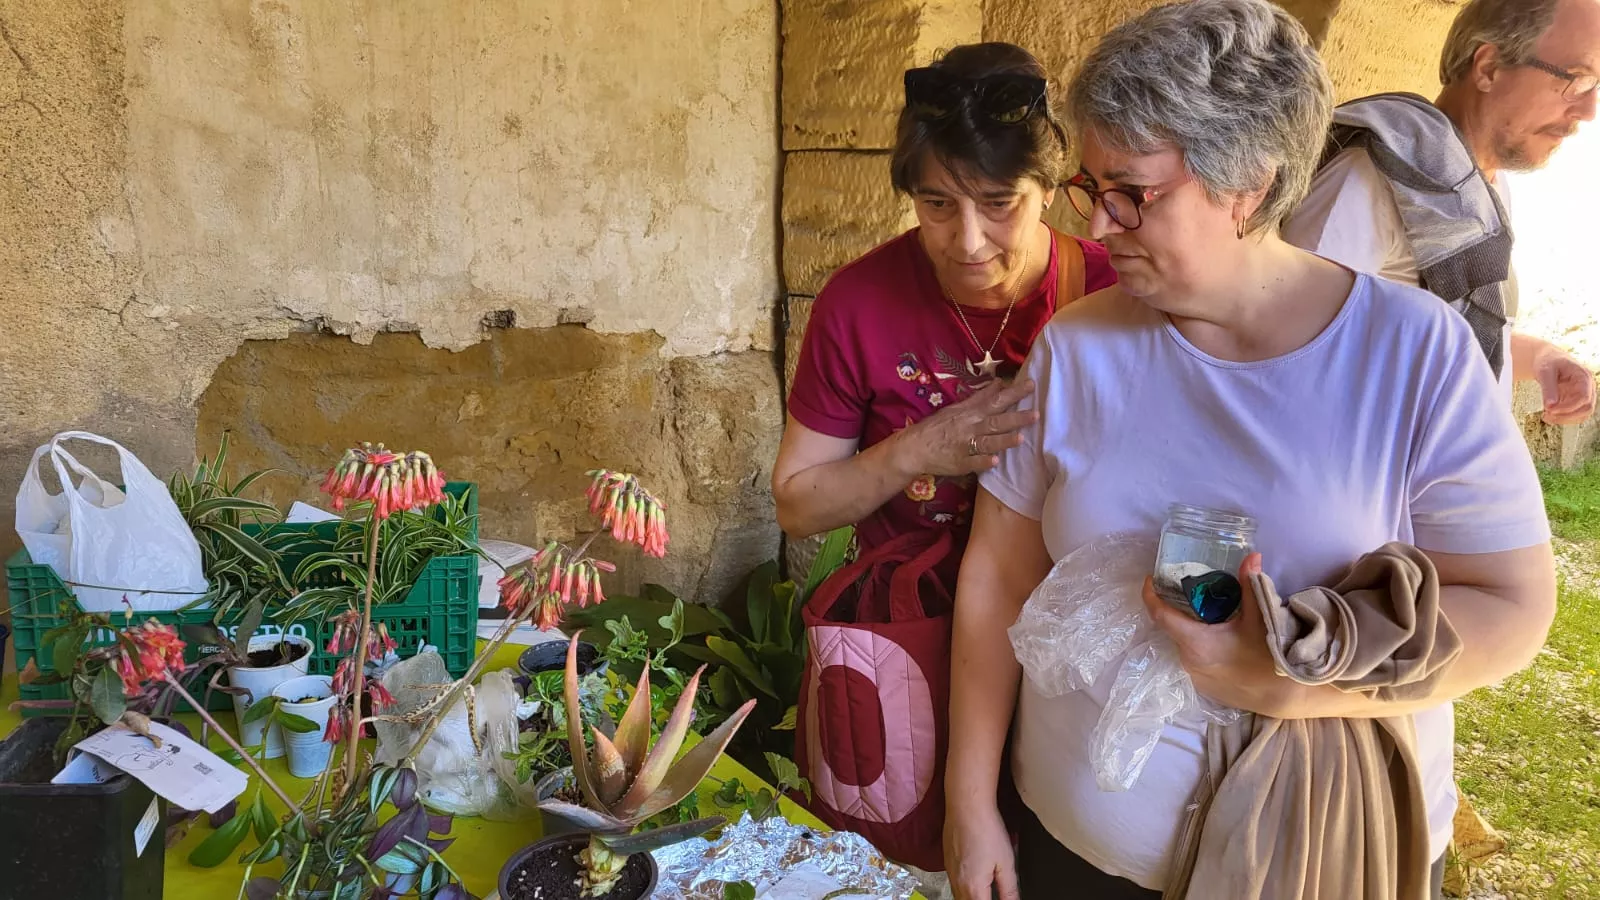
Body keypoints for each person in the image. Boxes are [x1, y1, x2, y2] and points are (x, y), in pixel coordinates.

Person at [943, 2, 1557, 899]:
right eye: (1091, 186)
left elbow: (1512, 609)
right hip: (1071, 849)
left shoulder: (1412, 353)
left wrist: (1287, 685)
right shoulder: (1076, 347)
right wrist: (970, 802)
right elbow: (998, 575)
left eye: (1131, 193)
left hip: (1316, 857)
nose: (1100, 226)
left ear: (1249, 185)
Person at [773, 42, 1117, 590]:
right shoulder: (858, 303)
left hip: (1066, 621)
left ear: (1049, 189)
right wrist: (917, 450)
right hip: (908, 614)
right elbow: (797, 507)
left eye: (999, 203)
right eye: (938, 205)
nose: (968, 241)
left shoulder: (1114, 295)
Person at [1284, 0, 1599, 424]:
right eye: (1575, 80)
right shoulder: (1377, 176)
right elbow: (1287, 352)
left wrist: (1542, 357)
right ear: (1488, 68)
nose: (1589, 111)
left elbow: (1455, 341)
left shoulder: (1477, 184)